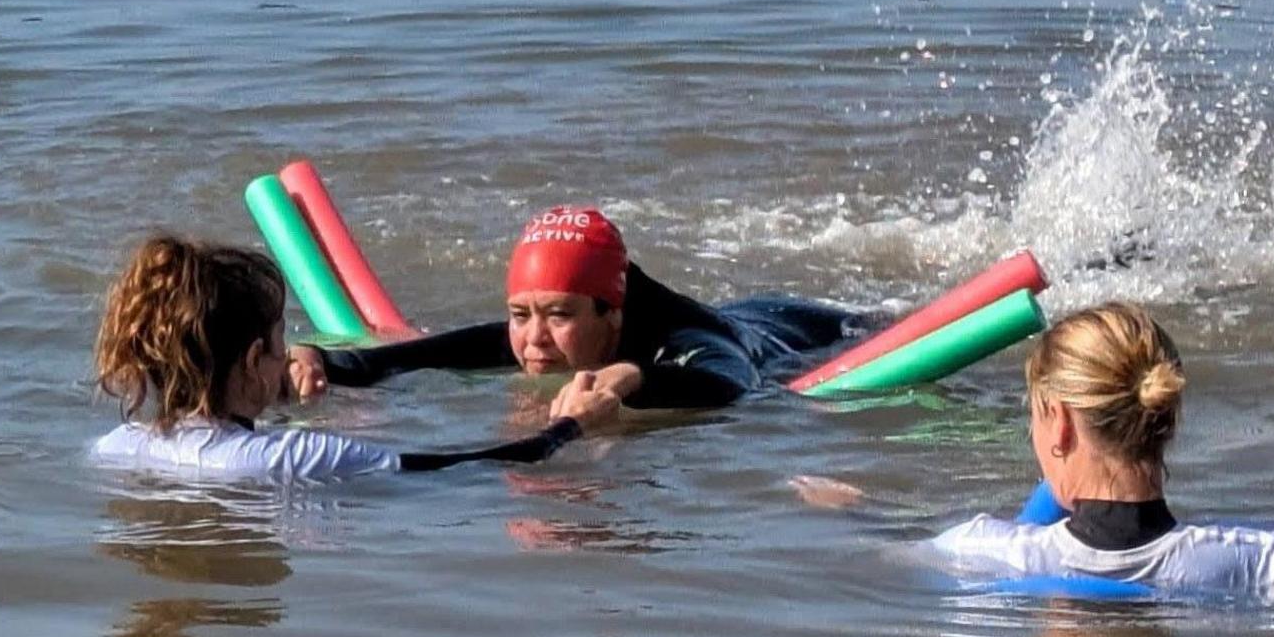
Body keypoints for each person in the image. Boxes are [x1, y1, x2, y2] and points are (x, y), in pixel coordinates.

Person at [90, 233, 628, 482]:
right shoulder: (293, 456)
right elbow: (468, 470)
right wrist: (569, 428)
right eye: (281, 345)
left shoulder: (116, 447)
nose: (285, 361)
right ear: (255, 358)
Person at [916, 300, 1274, 603]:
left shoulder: (981, 551)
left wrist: (849, 508)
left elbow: (879, 558)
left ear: (1060, 424)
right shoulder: (1273, 562)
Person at [286, 205, 854, 417]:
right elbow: (401, 362)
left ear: (613, 313)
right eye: (519, 314)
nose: (534, 340)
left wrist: (631, 377)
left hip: (811, 331)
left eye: (558, 316)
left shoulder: (681, 335)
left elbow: (731, 382)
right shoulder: (537, 338)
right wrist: (318, 361)